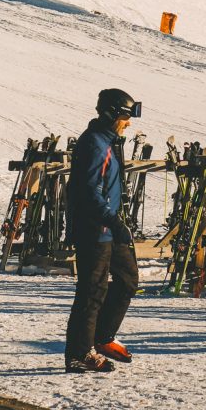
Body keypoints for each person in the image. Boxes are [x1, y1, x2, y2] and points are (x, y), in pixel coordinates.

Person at [64, 87, 141, 375]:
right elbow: (89, 192)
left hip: (108, 226)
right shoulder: (96, 144)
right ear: (110, 115)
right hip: (94, 229)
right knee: (92, 292)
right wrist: (114, 221)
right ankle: (79, 353)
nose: (128, 123)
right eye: (125, 116)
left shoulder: (107, 141)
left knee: (127, 279)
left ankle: (103, 336)